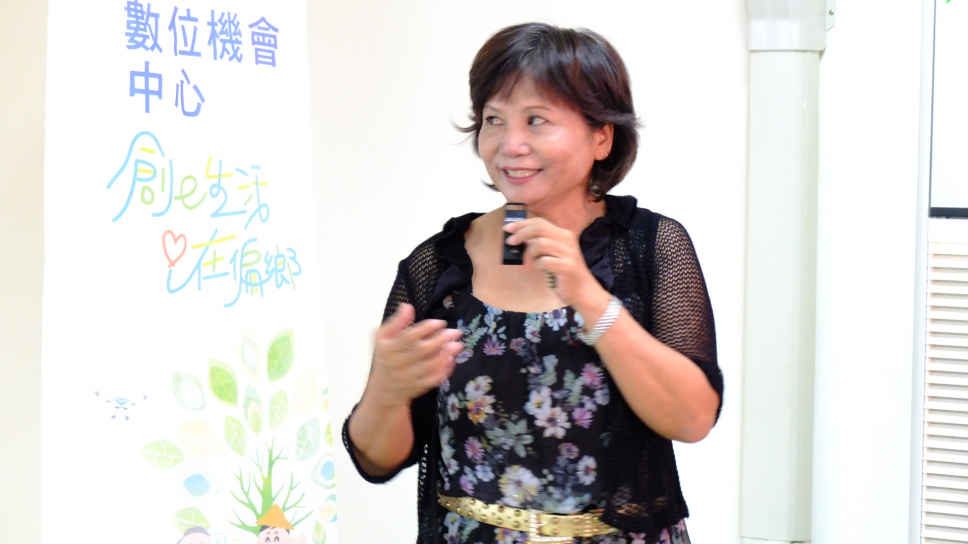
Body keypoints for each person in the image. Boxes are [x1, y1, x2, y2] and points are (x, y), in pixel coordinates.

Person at [343, 22, 723, 544]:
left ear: (601, 135)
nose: (510, 144)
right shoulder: (440, 264)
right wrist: (386, 392)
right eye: (494, 120)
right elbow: (376, 460)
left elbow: (692, 419)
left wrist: (587, 295)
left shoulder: (648, 246)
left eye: (536, 120)